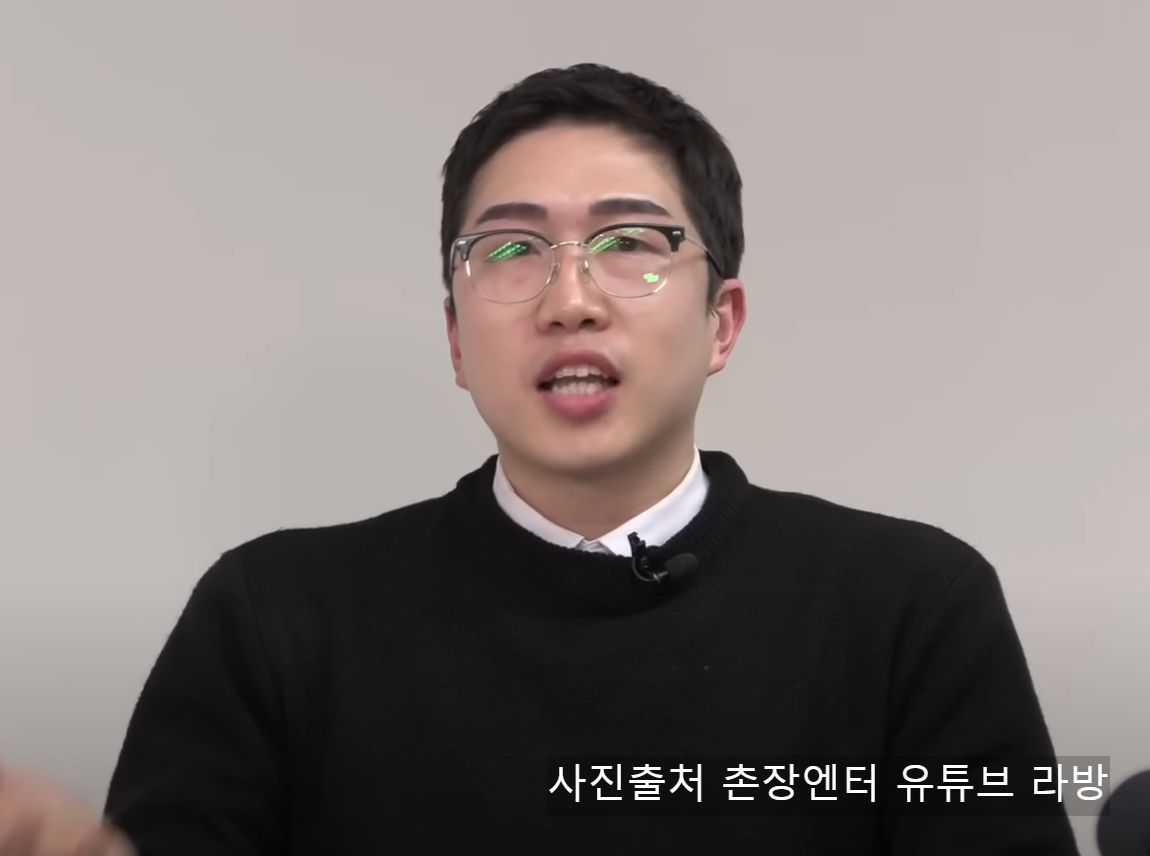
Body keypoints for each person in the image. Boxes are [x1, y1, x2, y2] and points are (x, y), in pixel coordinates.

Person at [0, 63, 1078, 855]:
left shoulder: (910, 606)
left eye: (630, 243)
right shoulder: (273, 617)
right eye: (511, 249)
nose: (569, 299)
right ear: (455, 337)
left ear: (721, 322)